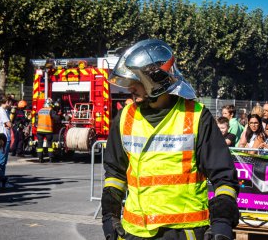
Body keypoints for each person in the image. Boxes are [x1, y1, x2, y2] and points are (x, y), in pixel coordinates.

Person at [102, 39, 239, 240]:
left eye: (136, 81)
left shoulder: (197, 117)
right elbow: (115, 173)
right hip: (134, 232)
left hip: (182, 233)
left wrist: (222, 224)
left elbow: (224, 177)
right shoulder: (124, 118)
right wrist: (109, 215)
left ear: (155, 80)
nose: (130, 88)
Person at [0, 96, 13, 188]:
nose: (11, 104)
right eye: (10, 102)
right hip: (3, 138)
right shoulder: (2, 111)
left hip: (5, 137)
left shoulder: (4, 111)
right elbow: (9, 124)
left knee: (3, 161)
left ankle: (1, 180)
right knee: (1, 160)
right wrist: (10, 124)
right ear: (7, 102)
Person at [36, 98, 57, 163]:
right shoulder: (51, 110)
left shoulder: (40, 110)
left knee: (40, 145)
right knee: (49, 145)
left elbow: (36, 120)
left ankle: (40, 158)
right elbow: (55, 118)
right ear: (50, 104)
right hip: (48, 131)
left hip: (39, 130)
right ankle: (51, 158)